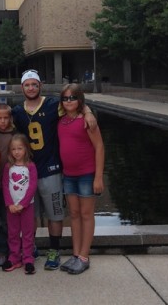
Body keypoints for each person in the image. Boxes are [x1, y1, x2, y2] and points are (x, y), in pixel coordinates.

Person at [11, 69, 97, 270]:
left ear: (40, 85)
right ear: (22, 87)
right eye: (27, 85)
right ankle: (29, 247)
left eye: (34, 84)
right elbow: (0, 122)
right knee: (29, 214)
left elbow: (74, 105)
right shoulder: (16, 111)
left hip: (51, 168)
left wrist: (88, 111)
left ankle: (54, 250)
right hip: (28, 170)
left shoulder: (52, 105)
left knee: (55, 214)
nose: (31, 88)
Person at [58, 84, 105, 275]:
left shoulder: (87, 121)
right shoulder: (61, 121)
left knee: (86, 215)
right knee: (74, 215)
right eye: (66, 98)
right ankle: (76, 254)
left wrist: (98, 177)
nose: (69, 101)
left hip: (87, 174)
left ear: (80, 100)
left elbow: (100, 147)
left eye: (73, 98)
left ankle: (84, 256)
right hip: (68, 174)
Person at [2, 134, 38, 274]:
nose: (17, 152)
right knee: (13, 233)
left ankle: (28, 258)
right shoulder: (8, 167)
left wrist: (23, 204)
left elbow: (32, 186)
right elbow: (5, 185)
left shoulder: (30, 166)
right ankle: (14, 257)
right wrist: (10, 204)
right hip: (12, 207)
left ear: (26, 149)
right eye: (13, 149)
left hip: (26, 206)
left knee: (28, 233)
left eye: (20, 148)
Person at [0, 103, 15, 267]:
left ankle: (4, 250)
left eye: (6, 118)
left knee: (6, 220)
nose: (3, 121)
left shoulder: (15, 135)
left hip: (9, 185)